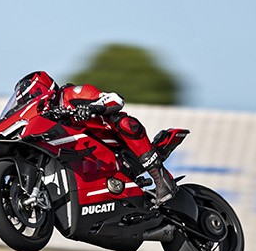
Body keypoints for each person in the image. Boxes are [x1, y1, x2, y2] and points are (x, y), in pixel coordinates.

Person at [49, 82, 177, 205]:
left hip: (109, 140)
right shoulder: (43, 120)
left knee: (124, 123)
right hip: (82, 157)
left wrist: (92, 108)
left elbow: (116, 99)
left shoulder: (72, 93)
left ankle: (162, 179)